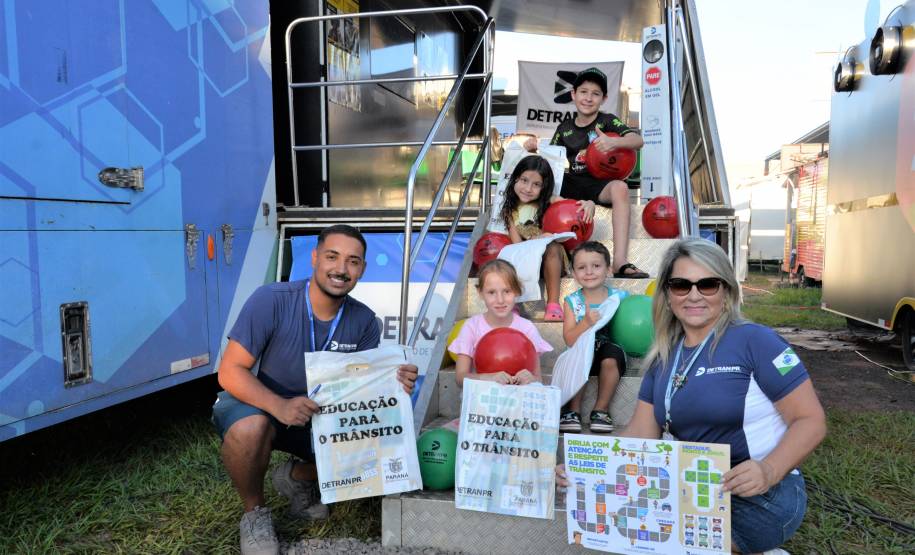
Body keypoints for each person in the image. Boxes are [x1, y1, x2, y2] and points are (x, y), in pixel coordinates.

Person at [557, 238, 826, 554]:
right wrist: (584, 467)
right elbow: (640, 434)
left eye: (708, 284)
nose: (694, 295)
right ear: (668, 295)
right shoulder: (663, 357)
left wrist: (769, 469)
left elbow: (811, 420)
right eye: (681, 285)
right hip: (689, 490)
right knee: (634, 535)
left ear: (725, 291)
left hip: (759, 496)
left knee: (677, 544)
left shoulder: (757, 341)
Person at [212, 224, 419, 555]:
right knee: (251, 428)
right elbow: (230, 371)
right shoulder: (271, 299)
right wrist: (279, 406)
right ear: (314, 257)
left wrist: (393, 383)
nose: (341, 269)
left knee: (383, 444)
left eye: (353, 261)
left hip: (320, 416)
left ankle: (296, 475)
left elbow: (363, 391)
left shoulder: (364, 321)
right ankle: (254, 515)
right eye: (332, 257)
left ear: (362, 269)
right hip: (264, 407)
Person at [525, 67, 648, 279]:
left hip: (600, 184)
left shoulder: (607, 121)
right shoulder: (564, 128)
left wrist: (613, 141)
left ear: (604, 98)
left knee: (620, 186)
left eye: (595, 93)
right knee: (539, 184)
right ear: (573, 95)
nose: (588, 98)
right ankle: (538, 251)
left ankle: (619, 261)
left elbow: (638, 141)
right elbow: (550, 160)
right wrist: (534, 150)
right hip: (572, 184)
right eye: (583, 92)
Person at [499, 155, 595, 321]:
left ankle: (553, 305)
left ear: (544, 188)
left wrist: (589, 204)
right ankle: (513, 303)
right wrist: (535, 240)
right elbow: (517, 245)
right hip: (529, 259)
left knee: (551, 247)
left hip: (553, 260)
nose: (528, 189)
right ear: (515, 179)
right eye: (524, 180)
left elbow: (574, 208)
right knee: (508, 255)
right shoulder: (510, 211)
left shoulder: (552, 201)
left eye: (536, 184)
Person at [559, 241, 629, 433]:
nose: (589, 272)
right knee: (579, 353)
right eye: (582, 267)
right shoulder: (572, 302)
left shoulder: (620, 297)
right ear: (573, 273)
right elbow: (569, 339)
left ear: (608, 269)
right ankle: (573, 410)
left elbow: (629, 328)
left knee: (611, 355)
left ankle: (601, 410)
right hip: (581, 351)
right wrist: (586, 323)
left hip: (609, 352)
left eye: (596, 266)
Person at [448, 259, 552, 386]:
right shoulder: (471, 326)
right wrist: (488, 378)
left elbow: (538, 379)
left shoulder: (527, 328)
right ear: (480, 293)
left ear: (517, 291)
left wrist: (531, 379)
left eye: (507, 291)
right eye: (491, 292)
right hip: (482, 401)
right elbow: (460, 378)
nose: (500, 300)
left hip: (517, 400)